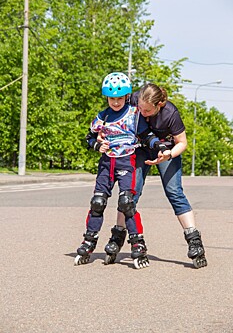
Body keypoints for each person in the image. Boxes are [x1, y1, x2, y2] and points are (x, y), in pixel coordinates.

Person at [100, 83, 207, 269]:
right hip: (140, 149)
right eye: (139, 108)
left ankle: (194, 240)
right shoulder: (133, 99)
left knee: (174, 192)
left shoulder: (170, 114)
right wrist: (101, 135)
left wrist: (169, 154)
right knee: (129, 193)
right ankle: (117, 236)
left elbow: (182, 142)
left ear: (159, 105)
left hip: (165, 150)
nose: (142, 112)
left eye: (147, 110)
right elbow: (112, 116)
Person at [74, 73, 168, 269]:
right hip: (106, 164)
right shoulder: (102, 116)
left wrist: (158, 146)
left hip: (127, 162)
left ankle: (138, 243)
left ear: (127, 96)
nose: (115, 102)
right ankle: (89, 241)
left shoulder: (134, 114)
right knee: (98, 202)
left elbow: (146, 135)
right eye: (111, 98)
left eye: (119, 98)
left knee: (127, 203)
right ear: (106, 98)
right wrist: (95, 146)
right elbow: (89, 137)